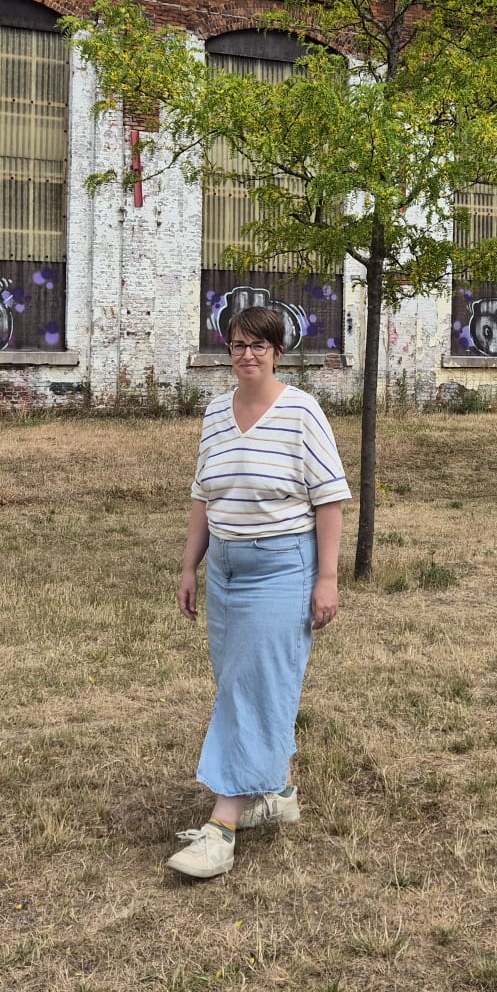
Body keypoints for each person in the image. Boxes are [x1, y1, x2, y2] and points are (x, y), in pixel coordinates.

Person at [166, 303, 349, 879]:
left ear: (277, 352)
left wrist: (327, 577)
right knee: (248, 685)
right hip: (224, 569)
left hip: (281, 570)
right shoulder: (217, 413)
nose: (248, 354)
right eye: (238, 345)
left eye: (259, 345)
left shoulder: (301, 412)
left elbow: (330, 498)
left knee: (250, 688)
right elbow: (204, 495)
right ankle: (276, 794)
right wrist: (191, 567)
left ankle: (221, 827)